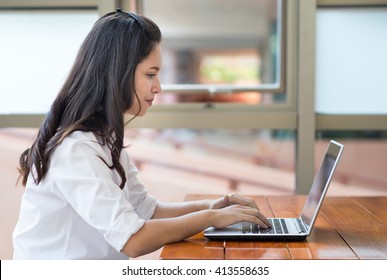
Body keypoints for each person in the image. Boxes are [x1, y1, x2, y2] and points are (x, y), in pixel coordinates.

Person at [12, 9, 271, 260]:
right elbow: (133, 240)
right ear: (117, 72)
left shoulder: (104, 138)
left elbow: (148, 210)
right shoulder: (75, 149)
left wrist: (213, 206)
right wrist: (211, 219)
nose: (157, 87)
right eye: (150, 74)